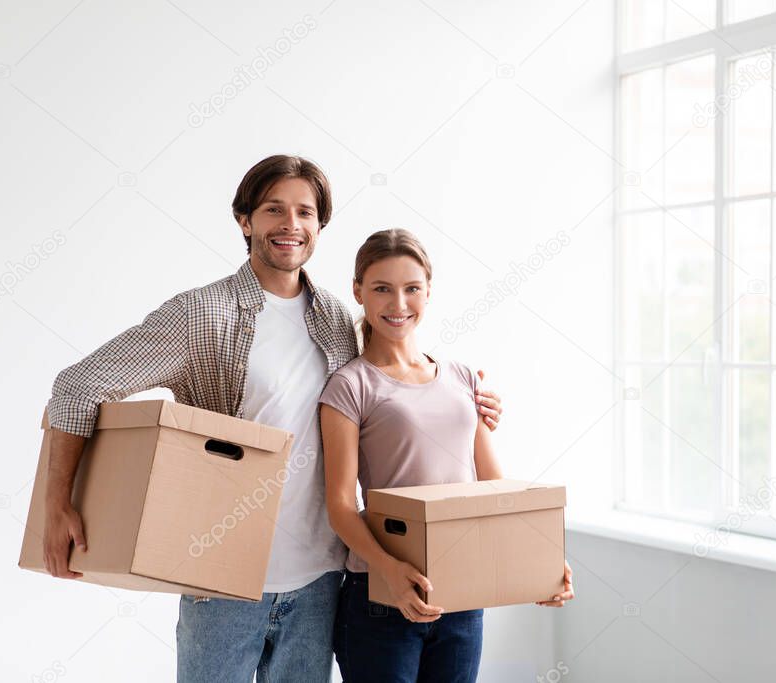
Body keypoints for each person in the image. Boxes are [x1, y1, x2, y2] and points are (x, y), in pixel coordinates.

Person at [40, 156, 503, 682]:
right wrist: (59, 504)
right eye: (274, 210)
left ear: (319, 226)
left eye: (305, 212)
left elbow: (395, 377)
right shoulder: (201, 314)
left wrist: (472, 399)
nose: (291, 225)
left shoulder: (333, 318)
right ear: (245, 220)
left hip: (320, 585)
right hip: (222, 583)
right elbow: (76, 389)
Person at [319, 228, 574, 683]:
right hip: (380, 597)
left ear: (428, 291)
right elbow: (340, 506)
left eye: (412, 288)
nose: (398, 304)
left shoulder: (461, 377)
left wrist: (540, 561)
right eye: (382, 288)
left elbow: (493, 490)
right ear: (358, 291)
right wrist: (393, 572)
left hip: (460, 596)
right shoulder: (350, 385)